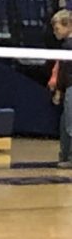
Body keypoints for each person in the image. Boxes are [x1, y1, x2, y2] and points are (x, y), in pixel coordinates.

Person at [50, 11, 72, 168]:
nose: (54, 32)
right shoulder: (65, 46)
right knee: (65, 123)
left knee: (70, 124)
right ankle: (65, 156)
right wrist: (58, 89)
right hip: (67, 88)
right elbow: (62, 71)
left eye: (57, 29)